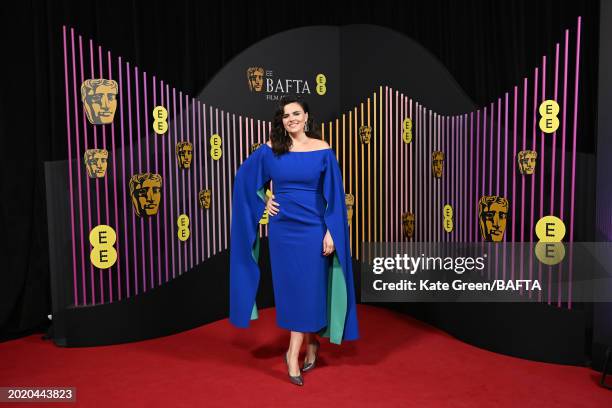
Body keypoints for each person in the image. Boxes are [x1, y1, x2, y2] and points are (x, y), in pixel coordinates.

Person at [229, 96, 359, 386]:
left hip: (314, 228)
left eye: (296, 113)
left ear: (306, 116)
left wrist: (331, 231)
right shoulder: (270, 150)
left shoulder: (323, 149)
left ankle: (294, 352)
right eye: (285, 115)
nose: (291, 119)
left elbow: (336, 196)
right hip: (283, 231)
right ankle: (307, 346)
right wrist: (264, 201)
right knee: (293, 290)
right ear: (281, 121)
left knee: (312, 287)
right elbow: (243, 180)